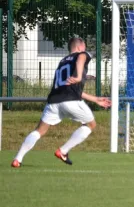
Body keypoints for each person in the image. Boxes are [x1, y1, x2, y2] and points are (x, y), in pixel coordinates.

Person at [11, 37, 111, 168]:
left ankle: (18, 159)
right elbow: (81, 58)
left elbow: (70, 88)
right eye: (84, 47)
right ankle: (63, 151)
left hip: (54, 101)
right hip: (71, 101)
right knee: (91, 124)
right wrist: (79, 76)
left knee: (39, 131)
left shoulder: (62, 62)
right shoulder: (81, 55)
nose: (85, 50)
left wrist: (95, 99)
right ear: (80, 47)